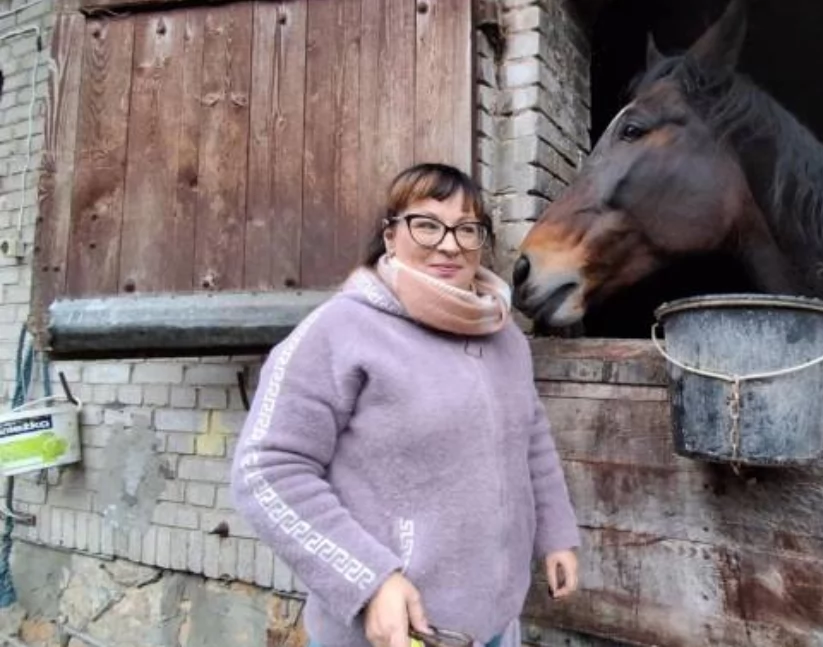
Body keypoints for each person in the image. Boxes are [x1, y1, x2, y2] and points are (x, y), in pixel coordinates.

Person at [230, 163, 582, 647]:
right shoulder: (338, 330)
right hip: (396, 632)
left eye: (467, 229)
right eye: (426, 224)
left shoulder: (506, 338)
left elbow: (532, 438)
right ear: (390, 236)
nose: (449, 244)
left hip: (497, 623)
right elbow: (265, 469)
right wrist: (369, 579)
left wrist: (556, 533)